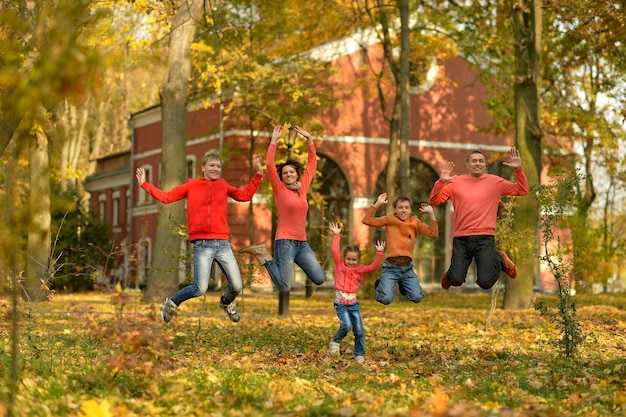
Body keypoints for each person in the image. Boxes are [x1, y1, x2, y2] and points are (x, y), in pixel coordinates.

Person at [135, 152, 264, 323]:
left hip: (223, 244)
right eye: (211, 165)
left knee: (238, 285)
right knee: (200, 288)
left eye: (218, 166)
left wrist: (258, 174)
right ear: (203, 168)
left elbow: (245, 195)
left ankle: (226, 302)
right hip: (203, 245)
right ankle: (172, 302)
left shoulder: (223, 185)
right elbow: (166, 198)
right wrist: (144, 184)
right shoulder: (192, 185)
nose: (215, 169)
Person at [239, 124, 326, 293]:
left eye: (291, 172)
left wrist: (310, 140)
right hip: (285, 243)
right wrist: (274, 140)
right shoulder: (280, 190)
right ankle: (262, 255)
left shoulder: (303, 188)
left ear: (297, 174)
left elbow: (312, 163)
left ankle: (265, 255)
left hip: (302, 244)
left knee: (320, 278)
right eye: (285, 173)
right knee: (285, 287)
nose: (288, 175)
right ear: (282, 177)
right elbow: (270, 165)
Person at [428, 148, 529, 290]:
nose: (477, 163)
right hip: (462, 238)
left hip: (485, 238)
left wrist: (518, 169)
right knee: (456, 280)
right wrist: (441, 182)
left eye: (481, 161)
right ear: (467, 165)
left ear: (485, 165)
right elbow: (434, 201)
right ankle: (452, 274)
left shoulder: (495, 182)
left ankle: (499, 259)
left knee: (485, 283)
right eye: (474, 161)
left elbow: (522, 190)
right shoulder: (456, 182)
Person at [361, 193, 438, 305]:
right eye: (400, 207)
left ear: (410, 210)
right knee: (386, 300)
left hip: (407, 268)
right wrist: (378, 203)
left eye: (406, 208)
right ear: (395, 209)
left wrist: (431, 212)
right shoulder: (389, 220)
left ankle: (403, 284)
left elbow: (433, 233)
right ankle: (380, 286)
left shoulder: (415, 222)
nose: (403, 210)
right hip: (391, 267)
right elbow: (366, 220)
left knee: (417, 297)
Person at [328, 222, 385, 364]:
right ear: (344, 258)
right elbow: (335, 251)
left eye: (354, 260)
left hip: (353, 304)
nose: (351, 262)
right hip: (340, 304)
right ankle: (335, 341)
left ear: (357, 260)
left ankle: (359, 353)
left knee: (359, 330)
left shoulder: (360, 269)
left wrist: (379, 252)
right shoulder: (340, 265)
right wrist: (336, 235)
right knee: (346, 325)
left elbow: (374, 267)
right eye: (348, 259)